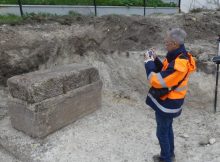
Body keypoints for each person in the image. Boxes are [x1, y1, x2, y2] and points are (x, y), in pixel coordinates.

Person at [144, 28, 196, 162]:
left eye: (166, 42)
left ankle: (165, 158)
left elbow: (156, 80)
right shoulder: (178, 55)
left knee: (162, 132)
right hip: (171, 101)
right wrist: (155, 60)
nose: (164, 43)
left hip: (169, 103)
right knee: (167, 128)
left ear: (174, 43)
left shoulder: (180, 63)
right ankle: (169, 155)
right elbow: (165, 71)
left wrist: (148, 63)